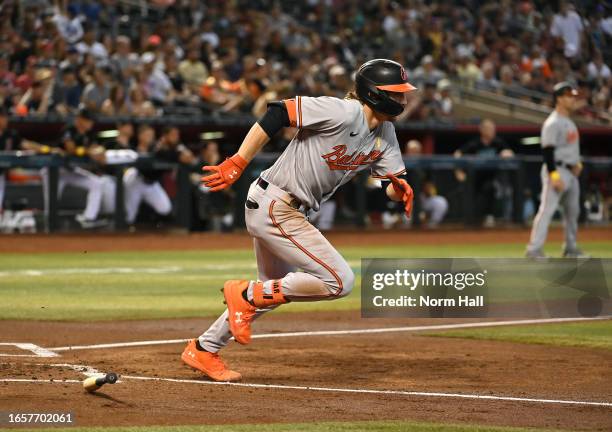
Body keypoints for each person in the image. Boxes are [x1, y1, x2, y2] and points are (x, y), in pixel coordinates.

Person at [181, 59, 416, 381]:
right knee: (339, 280)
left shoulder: (385, 133)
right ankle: (245, 294)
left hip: (285, 208)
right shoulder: (342, 111)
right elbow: (278, 111)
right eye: (397, 93)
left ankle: (204, 349)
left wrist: (399, 191)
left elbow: (390, 182)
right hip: (277, 204)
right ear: (375, 94)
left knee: (274, 291)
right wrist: (238, 160)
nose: (403, 100)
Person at [526, 82, 588, 258]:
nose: (572, 99)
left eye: (573, 96)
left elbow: (571, 149)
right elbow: (547, 151)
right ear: (559, 99)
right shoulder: (552, 122)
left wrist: (578, 164)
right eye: (569, 96)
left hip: (571, 173)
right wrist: (554, 175)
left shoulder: (569, 122)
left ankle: (570, 248)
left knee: (572, 213)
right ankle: (534, 249)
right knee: (547, 210)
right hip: (557, 170)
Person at [42, 108, 107, 228]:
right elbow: (70, 149)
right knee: (51, 204)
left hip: (69, 170)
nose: (91, 123)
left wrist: (98, 151)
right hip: (54, 171)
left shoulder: (89, 134)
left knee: (97, 183)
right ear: (80, 120)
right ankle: (48, 229)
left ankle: (89, 218)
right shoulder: (69, 130)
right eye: (88, 120)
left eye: (91, 120)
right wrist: (89, 151)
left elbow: (98, 148)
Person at [123, 126, 195, 225]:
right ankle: (120, 235)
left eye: (177, 135)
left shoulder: (169, 147)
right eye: (173, 135)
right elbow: (169, 153)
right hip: (137, 180)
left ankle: (155, 226)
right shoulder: (155, 146)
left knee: (165, 208)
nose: (176, 137)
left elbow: (189, 158)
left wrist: (179, 148)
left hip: (151, 183)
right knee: (129, 216)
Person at [454, 118, 514, 226]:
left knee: (491, 188)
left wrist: (506, 153)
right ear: (481, 130)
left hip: (493, 177)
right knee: (468, 193)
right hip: (475, 177)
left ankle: (489, 216)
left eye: (493, 128)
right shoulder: (475, 143)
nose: (492, 131)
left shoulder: (498, 142)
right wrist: (458, 172)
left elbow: (509, 153)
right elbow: (458, 154)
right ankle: (469, 219)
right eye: (489, 128)